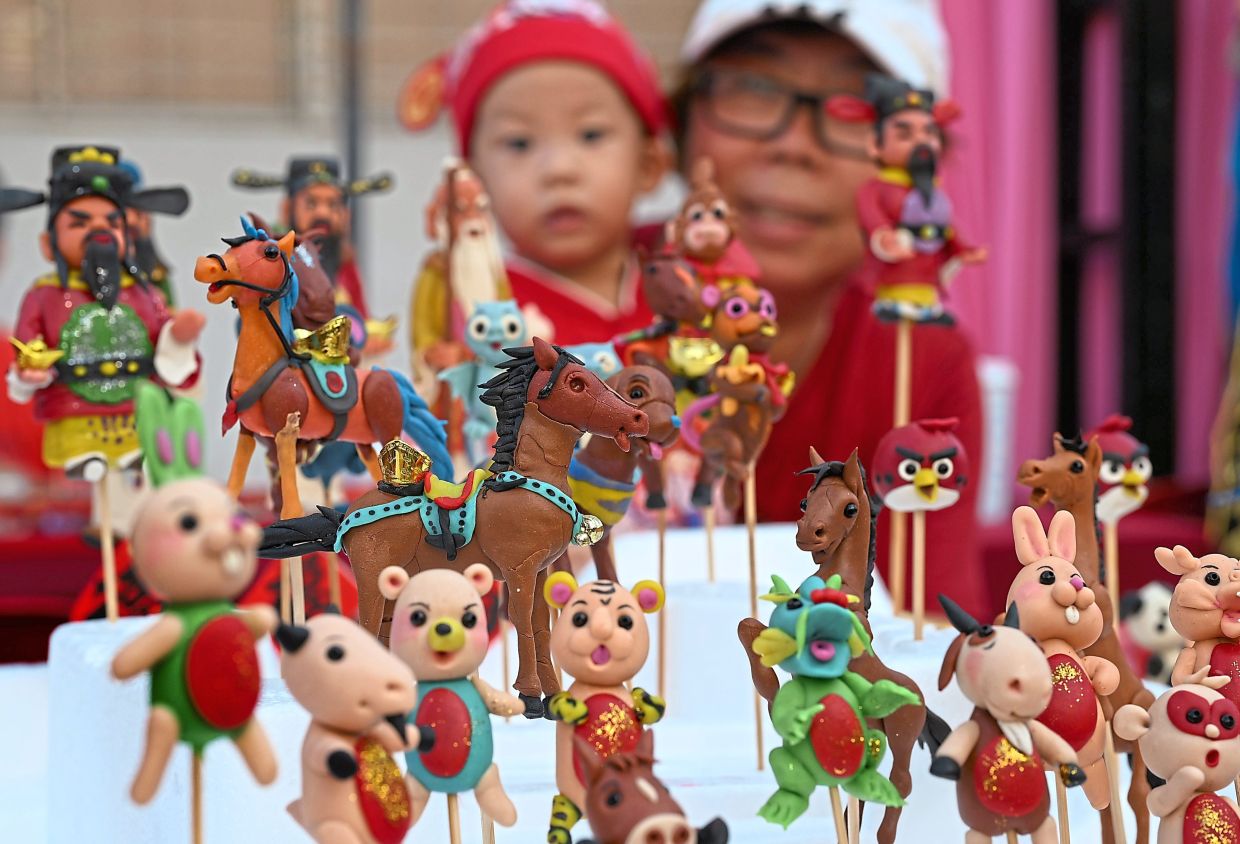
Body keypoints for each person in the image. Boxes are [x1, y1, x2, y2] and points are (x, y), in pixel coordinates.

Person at [672, 0, 988, 617]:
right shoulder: (579, 316)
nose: (794, 147)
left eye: (860, 110)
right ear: (677, 126)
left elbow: (924, 639)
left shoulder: (920, 358)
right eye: (756, 87)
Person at [398, 0, 670, 346]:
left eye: (591, 135)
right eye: (519, 143)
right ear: (473, 181)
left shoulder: (693, 280)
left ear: (649, 165)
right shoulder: (477, 309)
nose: (559, 169)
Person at [0, 145, 203, 479]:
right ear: (49, 244)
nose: (99, 233)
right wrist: (32, 367)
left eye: (112, 223)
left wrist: (177, 337)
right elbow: (28, 342)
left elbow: (162, 337)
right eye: (80, 223)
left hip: (132, 412)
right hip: (73, 409)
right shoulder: (45, 296)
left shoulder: (142, 293)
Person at [231, 156, 395, 354]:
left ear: (345, 215)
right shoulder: (274, 260)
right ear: (287, 209)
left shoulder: (343, 263)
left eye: (333, 205)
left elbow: (358, 314)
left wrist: (367, 336)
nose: (323, 214)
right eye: (311, 204)